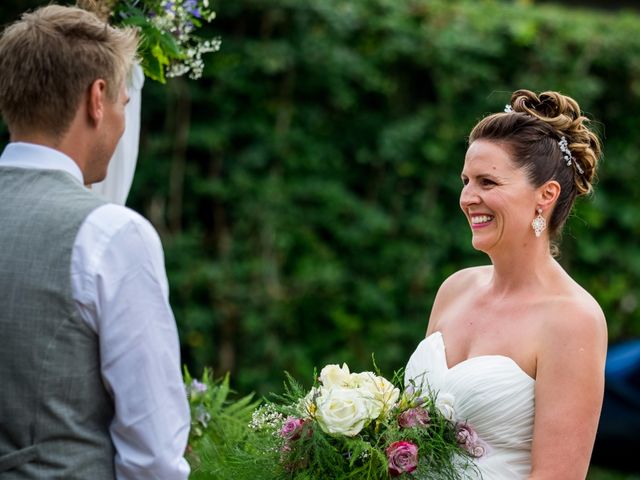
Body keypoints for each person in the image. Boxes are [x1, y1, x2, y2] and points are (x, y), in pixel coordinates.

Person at [0, 5, 190, 479]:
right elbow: (154, 459)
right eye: (125, 103)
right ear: (97, 98)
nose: (123, 122)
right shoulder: (111, 236)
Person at [405, 89, 607, 479]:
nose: (467, 197)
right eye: (465, 181)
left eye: (488, 182)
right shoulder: (454, 289)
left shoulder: (573, 319)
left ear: (545, 195)